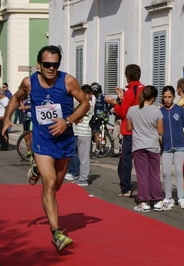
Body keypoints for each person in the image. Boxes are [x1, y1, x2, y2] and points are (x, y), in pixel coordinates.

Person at [1, 45, 90, 250]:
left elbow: (84, 104)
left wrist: (67, 122)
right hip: (42, 142)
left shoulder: (67, 81)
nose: (52, 68)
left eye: (55, 65)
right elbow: (15, 98)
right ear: (39, 65)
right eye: (48, 64)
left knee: (56, 186)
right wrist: (7, 119)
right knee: (49, 184)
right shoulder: (29, 82)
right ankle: (56, 233)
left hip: (65, 142)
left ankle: (36, 170)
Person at [105, 64, 144, 197]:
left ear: (127, 77)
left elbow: (123, 112)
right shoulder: (143, 89)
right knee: (141, 161)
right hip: (143, 130)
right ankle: (144, 186)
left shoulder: (130, 91)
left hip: (129, 130)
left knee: (125, 162)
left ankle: (125, 188)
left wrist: (114, 103)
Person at [126, 85, 164, 212]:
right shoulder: (157, 111)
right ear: (153, 98)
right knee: (154, 173)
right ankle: (158, 199)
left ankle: (144, 201)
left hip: (138, 145)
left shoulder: (132, 110)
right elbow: (160, 131)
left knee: (142, 174)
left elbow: (128, 128)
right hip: (153, 145)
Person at [160, 86, 184, 210]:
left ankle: (181, 198)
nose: (167, 99)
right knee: (166, 172)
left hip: (180, 145)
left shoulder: (180, 110)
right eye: (165, 97)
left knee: (179, 171)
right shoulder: (160, 111)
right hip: (166, 146)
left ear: (174, 97)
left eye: (170, 97)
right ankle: (168, 197)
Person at [73, 84, 95, 186]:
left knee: (84, 157)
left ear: (89, 95)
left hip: (85, 132)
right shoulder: (83, 103)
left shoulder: (87, 104)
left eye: (84, 94)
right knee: (79, 155)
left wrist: (76, 117)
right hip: (78, 132)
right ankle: (81, 176)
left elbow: (77, 115)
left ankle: (83, 178)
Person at [91, 82, 108, 154]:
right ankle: (101, 149)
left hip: (100, 117)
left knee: (98, 133)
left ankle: (100, 149)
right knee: (100, 133)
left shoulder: (101, 97)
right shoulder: (103, 96)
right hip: (100, 117)